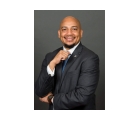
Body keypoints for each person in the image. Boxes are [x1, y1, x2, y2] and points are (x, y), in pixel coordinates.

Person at [35, 16, 99, 110]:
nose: (69, 33)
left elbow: (82, 97)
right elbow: (40, 92)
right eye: (64, 29)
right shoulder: (50, 56)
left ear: (81, 33)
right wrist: (52, 63)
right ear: (59, 33)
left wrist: (51, 99)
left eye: (74, 29)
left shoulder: (90, 58)